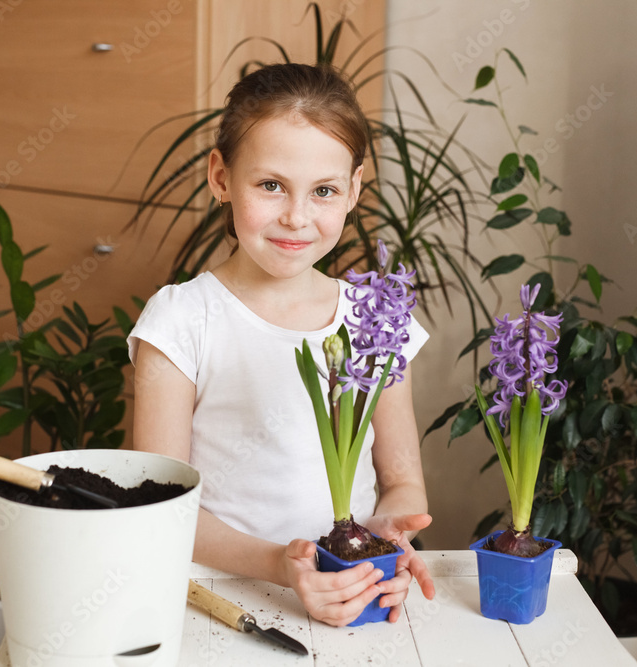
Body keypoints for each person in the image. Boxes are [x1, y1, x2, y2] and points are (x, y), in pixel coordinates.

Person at [128, 63, 435, 627]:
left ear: (354, 190)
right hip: (217, 601)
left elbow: (401, 482)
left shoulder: (376, 319)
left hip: (352, 593)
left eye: (323, 191)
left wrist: (387, 535)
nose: (297, 216)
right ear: (221, 176)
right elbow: (162, 504)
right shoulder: (181, 320)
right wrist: (283, 564)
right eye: (271, 185)